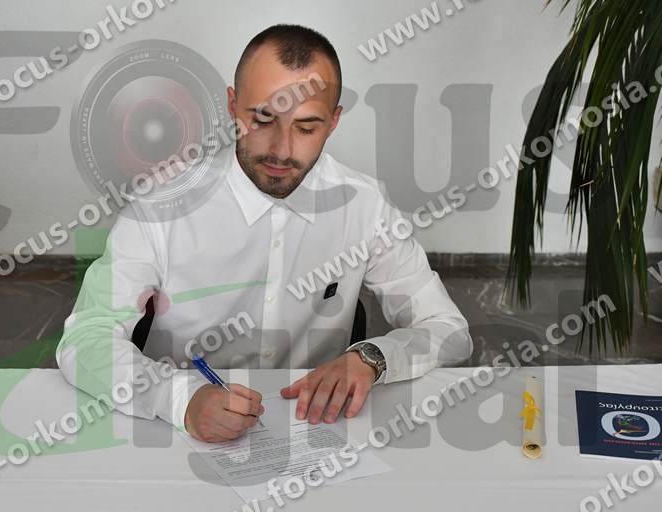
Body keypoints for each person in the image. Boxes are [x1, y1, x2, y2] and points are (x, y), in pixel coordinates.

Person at [56, 24, 472, 444]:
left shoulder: (365, 205)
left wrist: (372, 358)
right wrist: (178, 398)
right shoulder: (160, 204)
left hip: (319, 433)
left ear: (333, 122)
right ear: (232, 105)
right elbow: (85, 338)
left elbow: (448, 329)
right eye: (262, 119)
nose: (281, 150)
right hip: (174, 433)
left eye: (306, 127)